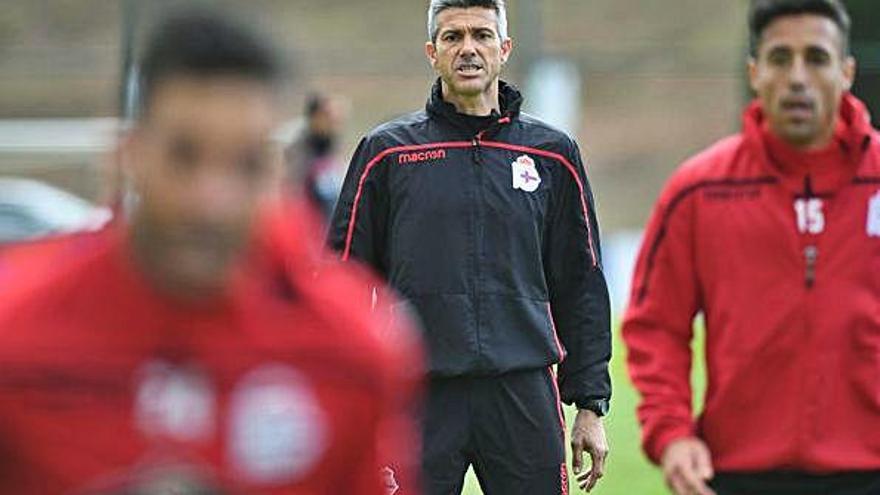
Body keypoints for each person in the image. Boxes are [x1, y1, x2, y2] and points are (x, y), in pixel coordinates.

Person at [0, 10, 421, 495]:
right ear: (129, 156)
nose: (211, 200)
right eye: (184, 155)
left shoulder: (351, 349)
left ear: (275, 172)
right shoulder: (18, 340)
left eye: (244, 164)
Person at [329, 1, 611, 493]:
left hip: (521, 389)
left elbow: (580, 280)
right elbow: (339, 281)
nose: (468, 49)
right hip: (418, 392)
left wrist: (589, 404)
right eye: (452, 37)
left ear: (503, 50)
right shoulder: (388, 153)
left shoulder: (552, 154)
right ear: (432, 53)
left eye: (481, 35)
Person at [622, 1, 880, 494]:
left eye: (817, 58)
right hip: (738, 475)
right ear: (755, 73)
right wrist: (673, 434)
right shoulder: (699, 191)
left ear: (846, 71)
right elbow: (655, 327)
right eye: (781, 59)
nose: (798, 78)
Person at [284, 93, 349, 222]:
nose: (333, 122)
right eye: (327, 116)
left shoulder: (332, 142)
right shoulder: (298, 145)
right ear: (315, 117)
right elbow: (293, 187)